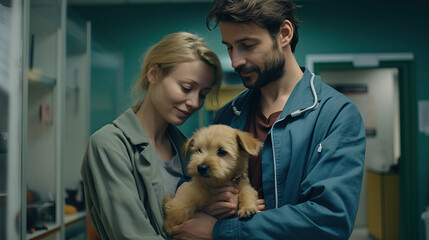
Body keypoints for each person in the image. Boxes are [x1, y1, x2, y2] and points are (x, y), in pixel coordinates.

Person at [170, 1, 366, 239]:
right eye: (230, 47)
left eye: (247, 45)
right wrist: (208, 203)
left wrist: (221, 232)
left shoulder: (335, 115)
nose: (235, 61)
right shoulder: (229, 114)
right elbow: (195, 183)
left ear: (284, 34)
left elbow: (329, 220)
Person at [81, 32, 224, 239]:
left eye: (203, 94)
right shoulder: (108, 145)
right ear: (154, 73)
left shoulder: (187, 148)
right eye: (186, 88)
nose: (195, 102)